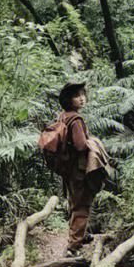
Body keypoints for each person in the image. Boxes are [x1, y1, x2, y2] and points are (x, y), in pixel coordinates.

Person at [54, 79, 102, 256]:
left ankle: (80, 235)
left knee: (75, 202)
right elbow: (81, 146)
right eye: (76, 96)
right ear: (69, 99)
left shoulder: (63, 115)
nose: (81, 99)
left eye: (83, 95)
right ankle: (73, 247)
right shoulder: (76, 120)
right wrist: (93, 142)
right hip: (79, 169)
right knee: (82, 205)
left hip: (68, 168)